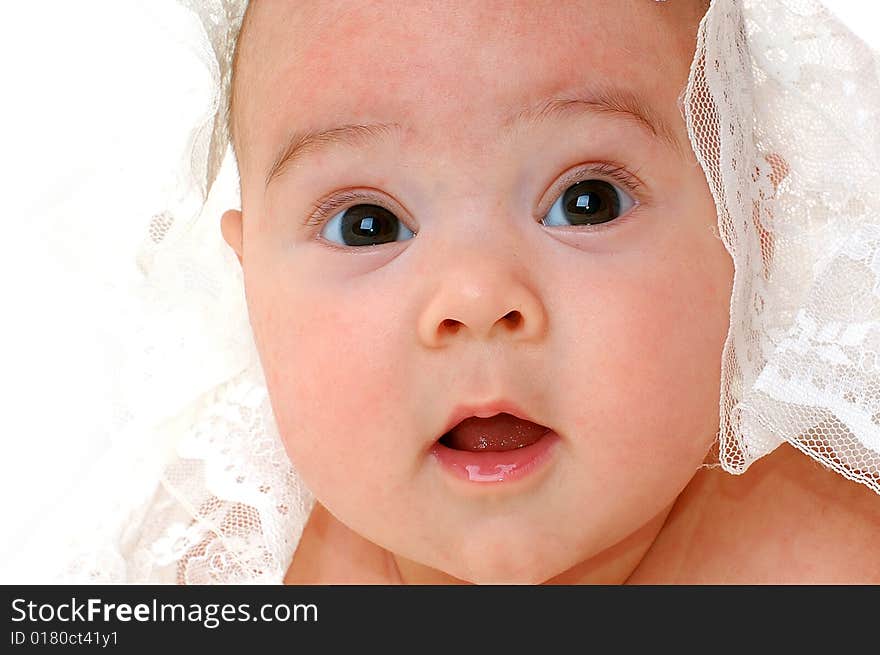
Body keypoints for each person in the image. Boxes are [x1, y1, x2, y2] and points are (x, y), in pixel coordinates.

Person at [20, 0, 878, 584]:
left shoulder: (829, 560)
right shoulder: (227, 563)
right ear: (250, 289)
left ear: (751, 228)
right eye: (367, 224)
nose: (474, 296)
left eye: (587, 202)